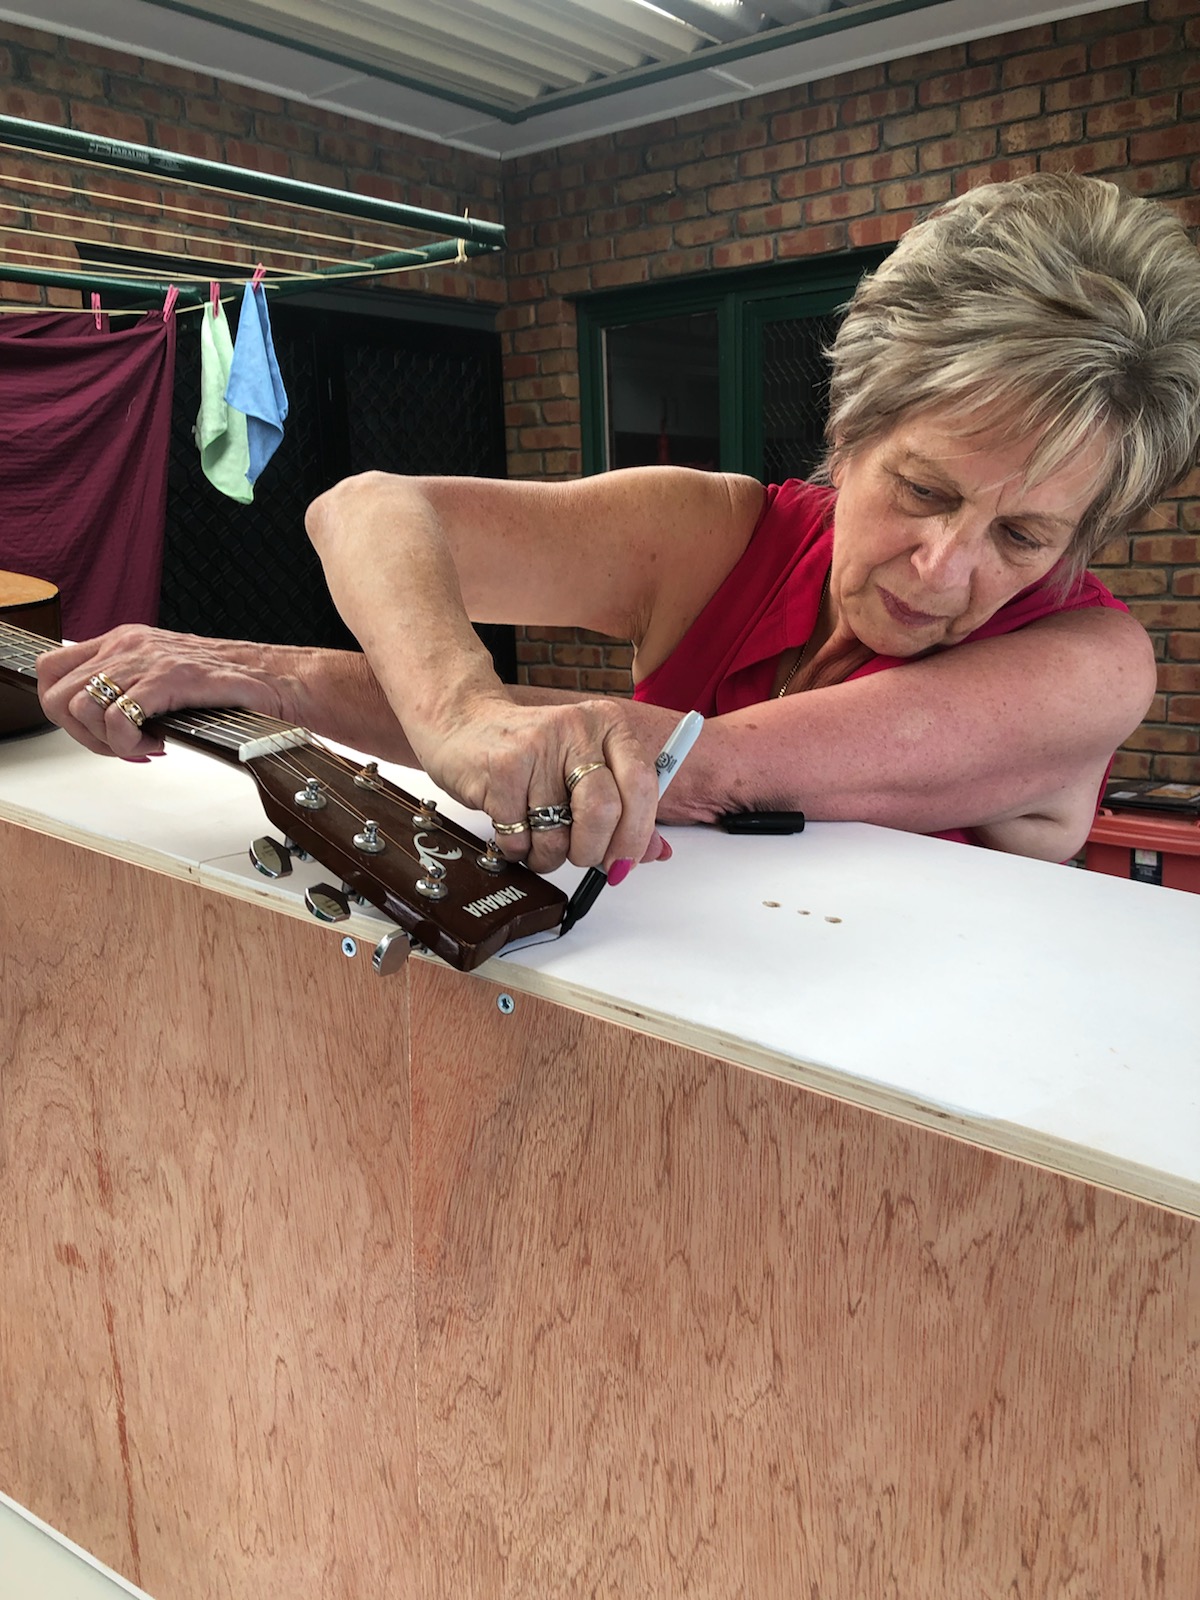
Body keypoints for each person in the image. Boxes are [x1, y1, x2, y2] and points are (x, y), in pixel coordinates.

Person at [37, 174, 1200, 880]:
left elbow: (703, 765)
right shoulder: (716, 534)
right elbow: (370, 509)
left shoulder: (1090, 670)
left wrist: (321, 686)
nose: (946, 569)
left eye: (1024, 536)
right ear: (847, 434)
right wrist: (427, 704)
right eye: (926, 491)